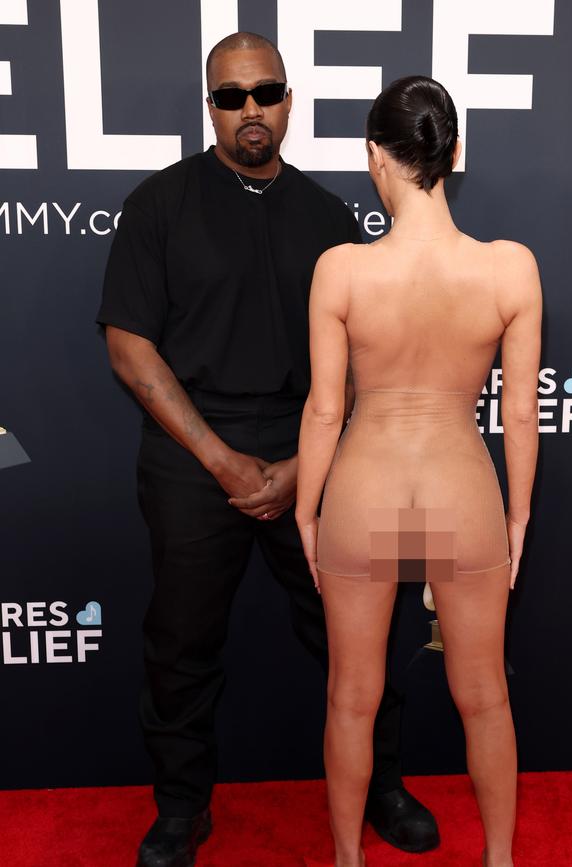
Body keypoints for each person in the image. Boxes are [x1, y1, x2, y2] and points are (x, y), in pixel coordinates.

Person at [97, 34, 439, 867]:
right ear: (209, 105)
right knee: (180, 643)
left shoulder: (329, 218)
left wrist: (299, 467)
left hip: (314, 446)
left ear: (290, 101)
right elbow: (130, 347)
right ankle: (181, 808)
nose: (251, 109)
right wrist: (219, 459)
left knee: (357, 635)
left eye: (267, 91)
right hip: (191, 453)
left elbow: (366, 358)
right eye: (231, 95)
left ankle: (383, 782)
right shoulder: (158, 206)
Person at [296, 75, 541, 867]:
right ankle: (500, 859)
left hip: (362, 494)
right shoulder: (510, 270)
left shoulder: (342, 271)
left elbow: (326, 412)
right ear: (454, 152)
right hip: (462, 489)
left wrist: (306, 509)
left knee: (350, 698)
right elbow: (519, 416)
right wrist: (519, 516)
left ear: (376, 156)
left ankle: (346, 860)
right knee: (486, 698)